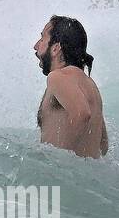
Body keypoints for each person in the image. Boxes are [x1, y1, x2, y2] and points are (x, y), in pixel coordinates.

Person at [33, 15, 108, 158]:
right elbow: (103, 144)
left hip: (61, 175)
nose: (36, 46)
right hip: (86, 175)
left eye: (42, 39)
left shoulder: (57, 77)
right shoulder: (90, 85)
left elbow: (82, 114)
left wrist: (61, 162)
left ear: (55, 48)